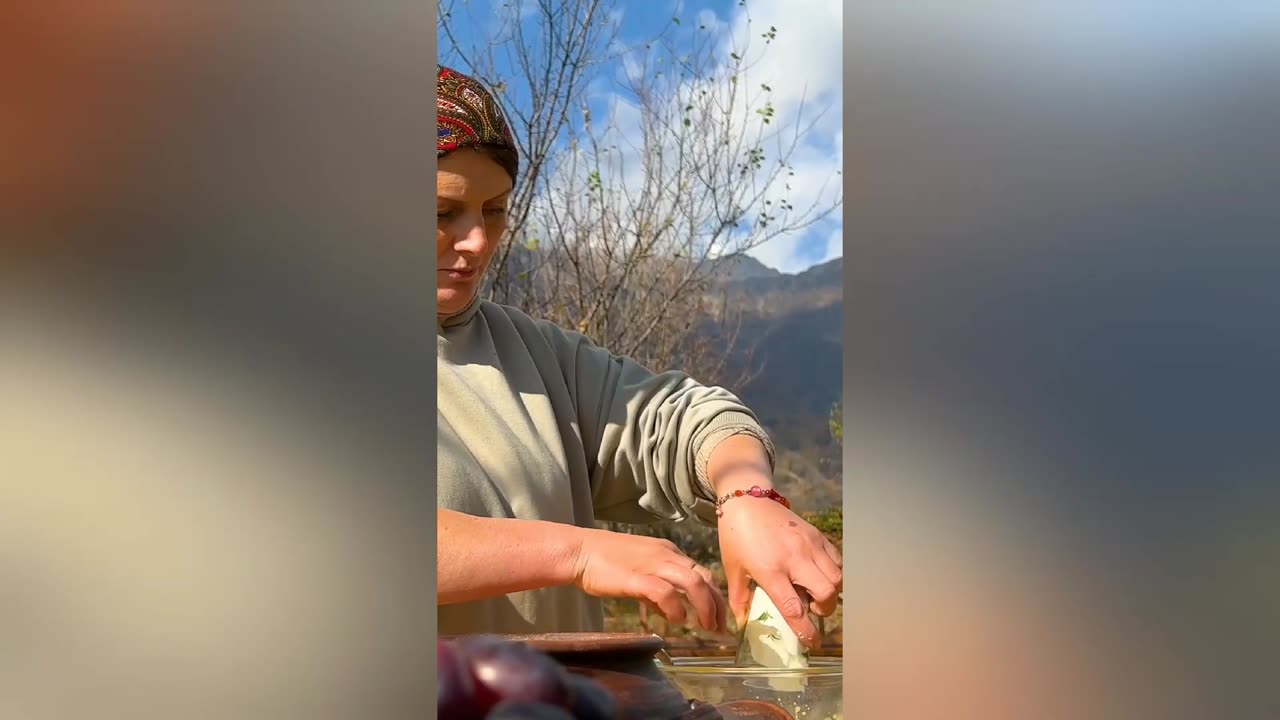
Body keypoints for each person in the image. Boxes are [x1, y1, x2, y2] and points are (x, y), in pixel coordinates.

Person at [435, 65, 843, 646]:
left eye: (494, 209)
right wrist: (576, 553)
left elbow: (680, 418)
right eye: (442, 213)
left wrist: (748, 494)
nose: (478, 239)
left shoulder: (531, 354)